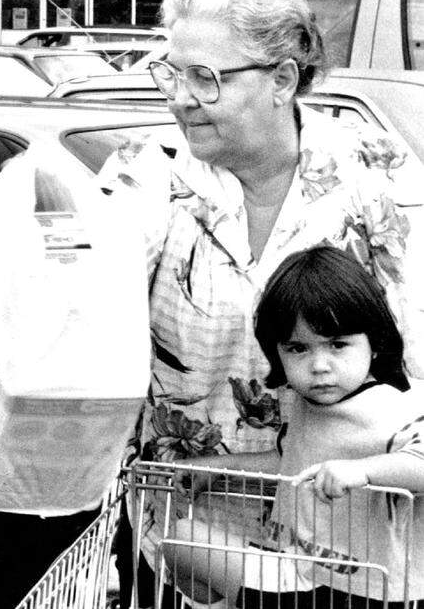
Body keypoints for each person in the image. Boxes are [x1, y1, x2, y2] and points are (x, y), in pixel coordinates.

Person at [58, 0, 423, 606]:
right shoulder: (149, 175)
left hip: (347, 548)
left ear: (283, 79)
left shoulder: (370, 177)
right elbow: (82, 304)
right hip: (187, 536)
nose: (180, 96)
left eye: (205, 77)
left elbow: (413, 349)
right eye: (172, 72)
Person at [165, 245, 424, 609]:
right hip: (296, 570)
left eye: (337, 345)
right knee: (181, 539)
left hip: (366, 590)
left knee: (184, 542)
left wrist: (363, 471)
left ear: (375, 345)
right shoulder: (308, 404)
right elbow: (292, 460)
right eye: (298, 348)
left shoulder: (397, 406)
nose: (319, 365)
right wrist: (219, 466)